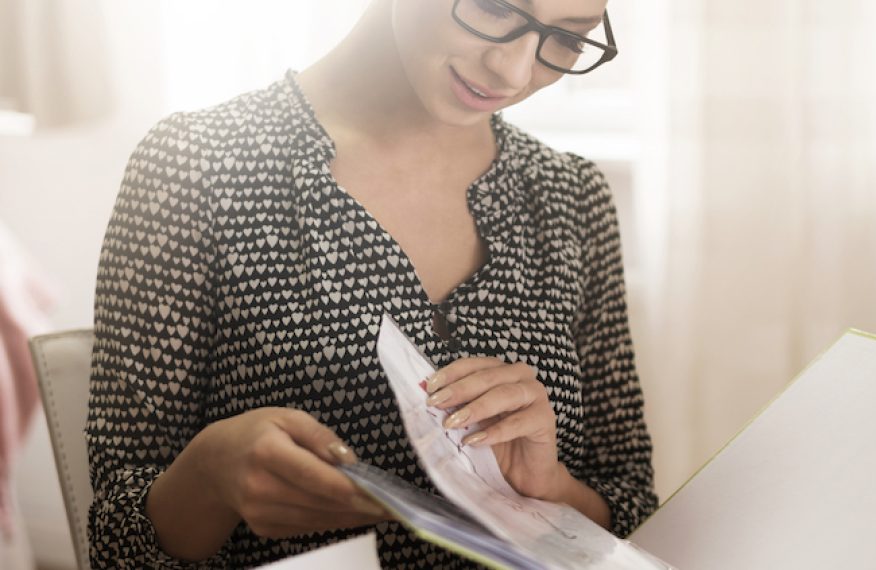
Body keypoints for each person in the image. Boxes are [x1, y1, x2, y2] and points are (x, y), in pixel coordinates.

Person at [85, 0, 655, 567]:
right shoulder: (195, 165)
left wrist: (549, 487)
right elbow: (115, 537)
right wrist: (209, 475)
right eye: (493, 6)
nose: (515, 70)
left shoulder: (570, 196)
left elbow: (634, 510)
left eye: (566, 38)